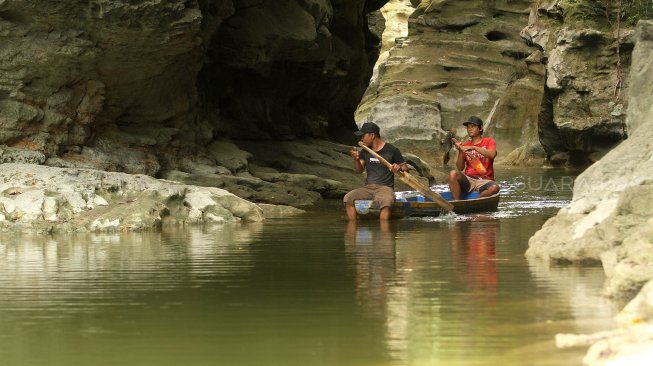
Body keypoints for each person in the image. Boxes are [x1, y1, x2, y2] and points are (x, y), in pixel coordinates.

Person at [344, 122, 408, 221]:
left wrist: (398, 168)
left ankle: (384, 234)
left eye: (363, 136)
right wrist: (356, 159)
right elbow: (359, 171)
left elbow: (405, 168)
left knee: (386, 201)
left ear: (372, 135)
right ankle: (352, 228)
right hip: (368, 188)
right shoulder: (365, 151)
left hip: (385, 188)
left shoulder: (392, 150)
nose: (361, 139)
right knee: (348, 198)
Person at [447, 116, 500, 200]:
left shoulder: (489, 141)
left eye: (473, 126)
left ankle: (476, 201)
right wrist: (460, 151)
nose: (469, 129)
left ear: (481, 128)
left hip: (485, 180)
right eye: (468, 127)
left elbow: (492, 155)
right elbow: (460, 168)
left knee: (494, 188)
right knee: (453, 174)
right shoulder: (465, 145)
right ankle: (456, 204)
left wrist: (474, 148)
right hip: (469, 180)